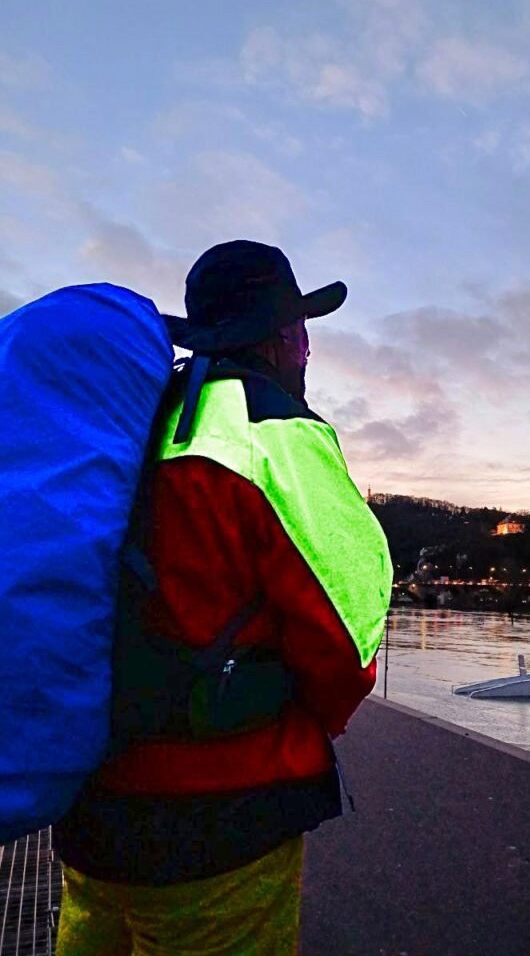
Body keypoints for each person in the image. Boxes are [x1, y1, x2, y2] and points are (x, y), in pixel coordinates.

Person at [53, 241, 392, 956]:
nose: (307, 347)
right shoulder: (273, 431)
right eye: (302, 328)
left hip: (90, 809)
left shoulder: (133, 417)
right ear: (282, 337)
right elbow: (345, 636)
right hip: (217, 830)